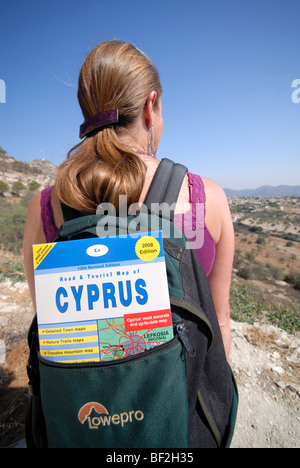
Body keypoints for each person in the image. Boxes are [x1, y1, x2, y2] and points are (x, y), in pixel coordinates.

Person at [23, 40, 234, 359]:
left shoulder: (44, 207)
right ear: (151, 107)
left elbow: (51, 328)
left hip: (83, 403)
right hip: (176, 403)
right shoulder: (206, 198)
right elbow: (219, 321)